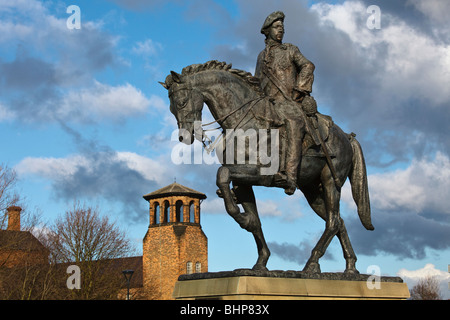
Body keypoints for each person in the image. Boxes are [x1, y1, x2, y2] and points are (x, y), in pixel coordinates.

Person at [255, 11, 315, 195]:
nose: (281, 30)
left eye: (282, 27)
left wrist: (300, 89)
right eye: (276, 27)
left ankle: (290, 176)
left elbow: (308, 65)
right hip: (267, 103)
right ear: (267, 31)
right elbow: (257, 80)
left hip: (288, 101)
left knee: (293, 123)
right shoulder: (261, 56)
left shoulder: (290, 50)